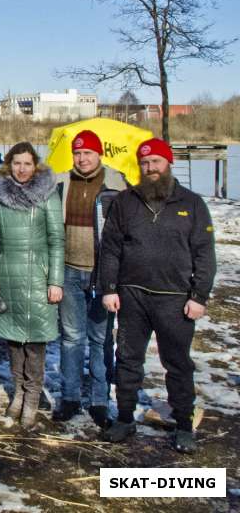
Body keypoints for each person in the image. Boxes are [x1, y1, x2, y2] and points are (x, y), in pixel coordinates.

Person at [99, 138, 216, 454]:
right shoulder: (125, 202)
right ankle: (124, 418)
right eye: (145, 163)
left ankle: (182, 424)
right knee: (127, 359)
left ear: (168, 164)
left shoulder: (191, 204)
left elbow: (204, 253)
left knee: (177, 363)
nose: (150, 169)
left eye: (156, 162)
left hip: (175, 299)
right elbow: (110, 248)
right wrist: (109, 288)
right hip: (132, 295)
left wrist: (199, 296)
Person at [0, 142, 64, 428]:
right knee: (13, 340)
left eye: (27, 164)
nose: (22, 169)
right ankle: (18, 392)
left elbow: (56, 239)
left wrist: (55, 280)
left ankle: (32, 398)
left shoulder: (48, 193)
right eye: (17, 163)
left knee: (36, 342)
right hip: (6, 273)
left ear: (35, 165)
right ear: (9, 165)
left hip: (39, 275)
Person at [52, 130, 126, 428]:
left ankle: (99, 400)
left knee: (100, 339)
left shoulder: (116, 184)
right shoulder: (61, 183)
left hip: (102, 273)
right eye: (78, 153)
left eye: (88, 153)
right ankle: (70, 397)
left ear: (99, 155)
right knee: (71, 338)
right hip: (68, 269)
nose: (82, 159)